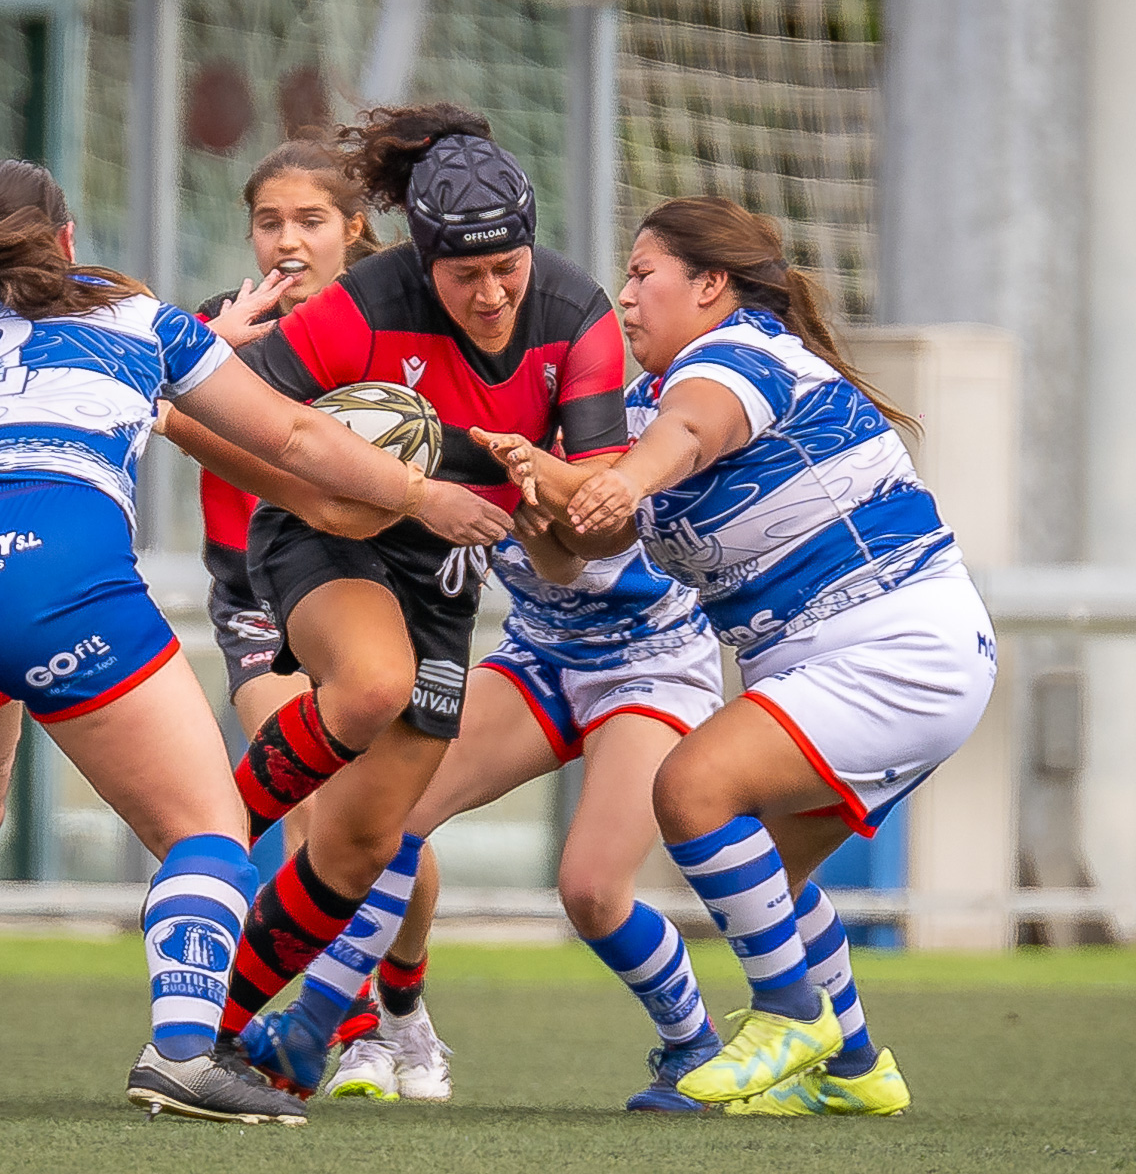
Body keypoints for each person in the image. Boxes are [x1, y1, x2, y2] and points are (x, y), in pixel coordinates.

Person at [0, 158, 506, 1124]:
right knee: (207, 828)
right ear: (66, 240)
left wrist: (214, 340)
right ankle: (186, 1053)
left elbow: (98, 388)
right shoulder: (139, 318)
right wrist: (416, 492)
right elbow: (295, 437)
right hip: (44, 560)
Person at [478, 196, 996, 1117]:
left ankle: (792, 1016)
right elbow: (590, 545)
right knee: (773, 875)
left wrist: (618, 479)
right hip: (851, 661)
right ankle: (855, 1068)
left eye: (645, 275)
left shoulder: (740, 354)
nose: (625, 296)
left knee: (690, 789)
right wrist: (529, 484)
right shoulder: (645, 400)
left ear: (711, 286)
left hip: (898, 646)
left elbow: (685, 440)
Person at [196, 103, 631, 1101]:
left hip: (444, 576)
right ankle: (205, 845)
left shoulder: (580, 318)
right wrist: (342, 494)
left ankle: (209, 1033)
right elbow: (201, 414)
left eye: (507, 269)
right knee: (369, 685)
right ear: (421, 261)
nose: (490, 296)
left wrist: (554, 499)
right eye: (464, 276)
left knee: (360, 845)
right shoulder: (361, 304)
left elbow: (586, 544)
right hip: (324, 537)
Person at [273, 497, 729, 1110]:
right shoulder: (456, 425)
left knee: (591, 893)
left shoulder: (589, 415)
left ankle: (692, 1044)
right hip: (540, 654)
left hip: (654, 661)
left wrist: (523, 475)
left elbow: (576, 541)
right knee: (382, 816)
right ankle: (341, 1023)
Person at [162, 140, 449, 1071]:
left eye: (311, 220)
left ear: (354, 227)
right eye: (270, 221)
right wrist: (214, 361)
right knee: (305, 807)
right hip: (255, 595)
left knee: (382, 821)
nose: (288, 239)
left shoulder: (393, 326)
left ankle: (404, 1001)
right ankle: (351, 1025)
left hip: (374, 590)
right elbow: (156, 402)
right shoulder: (215, 328)